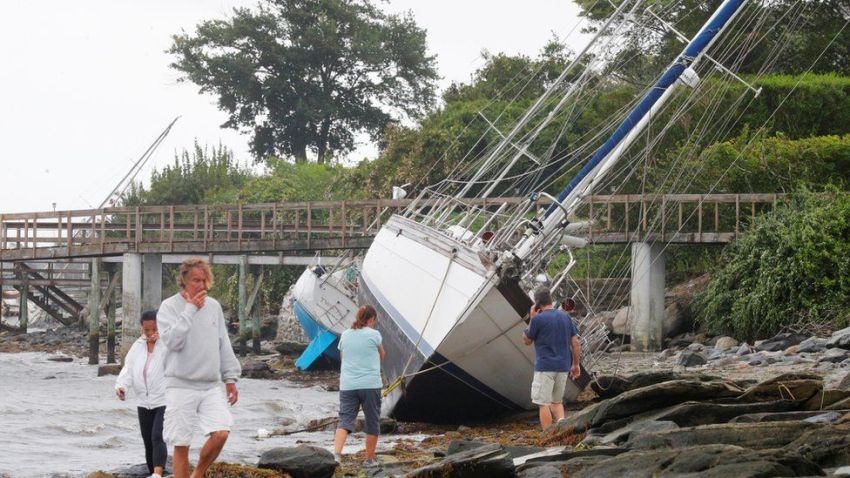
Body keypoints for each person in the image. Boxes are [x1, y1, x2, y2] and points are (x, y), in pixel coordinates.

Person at [157, 258, 242, 478]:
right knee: (181, 443)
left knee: (221, 432)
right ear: (183, 280)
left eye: (205, 281)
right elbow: (173, 342)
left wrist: (230, 379)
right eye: (196, 280)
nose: (201, 285)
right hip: (180, 385)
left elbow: (223, 343)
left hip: (210, 385)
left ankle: (198, 474)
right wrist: (190, 309)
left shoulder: (214, 306)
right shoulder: (168, 307)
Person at [115, 310, 168, 478]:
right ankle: (154, 473)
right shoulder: (137, 346)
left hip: (164, 399)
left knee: (157, 436)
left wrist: (164, 339)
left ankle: (158, 473)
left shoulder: (168, 344)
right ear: (142, 328)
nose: (151, 333)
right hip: (143, 401)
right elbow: (129, 368)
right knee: (147, 440)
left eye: (154, 329)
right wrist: (122, 386)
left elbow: (179, 361)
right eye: (147, 330)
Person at [333, 304, 385, 467]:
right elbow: (382, 355)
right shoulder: (374, 334)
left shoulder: (345, 334)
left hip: (348, 385)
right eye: (374, 320)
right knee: (372, 420)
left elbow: (343, 357)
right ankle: (369, 459)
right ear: (372, 319)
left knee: (345, 420)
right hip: (370, 385)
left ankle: (336, 455)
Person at [522, 287, 581, 431]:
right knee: (557, 402)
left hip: (545, 367)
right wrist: (576, 365)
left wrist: (532, 318)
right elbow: (575, 343)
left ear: (537, 303)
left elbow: (527, 340)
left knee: (543, 404)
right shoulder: (565, 317)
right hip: (563, 366)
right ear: (550, 300)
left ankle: (548, 436)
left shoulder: (538, 319)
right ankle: (563, 430)